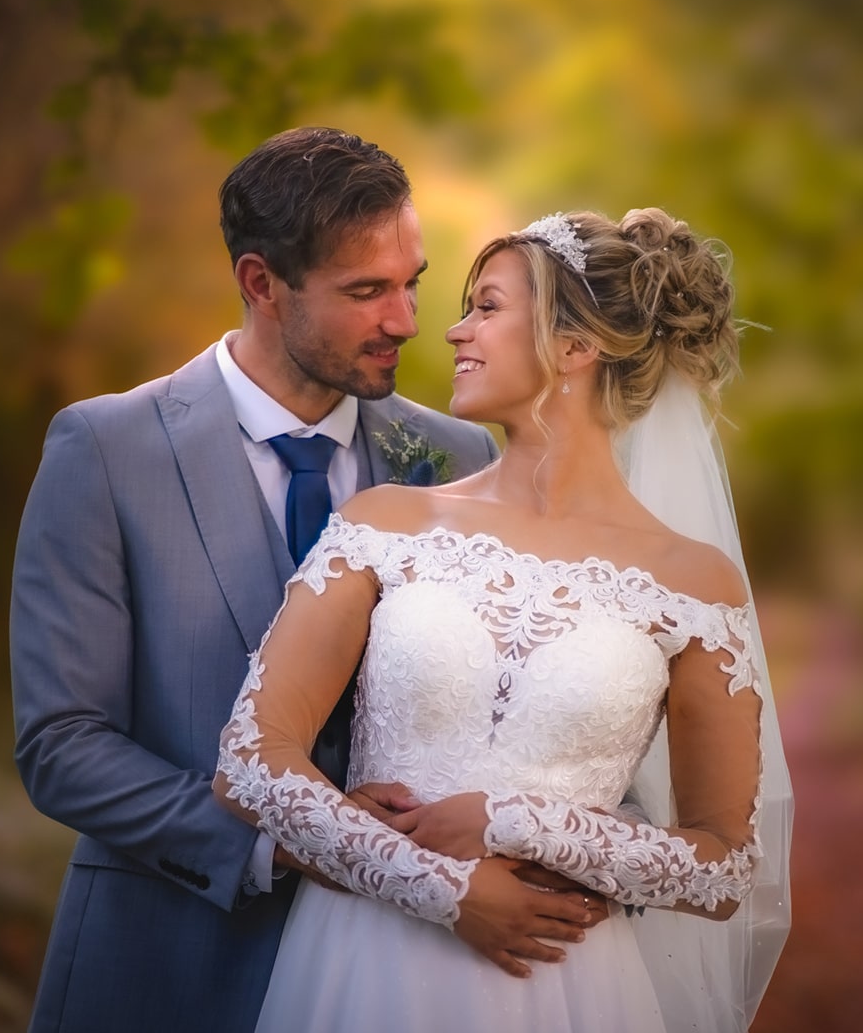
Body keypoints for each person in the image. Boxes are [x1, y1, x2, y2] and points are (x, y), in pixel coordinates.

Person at [9, 128, 595, 1033]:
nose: (405, 320)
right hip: (167, 961)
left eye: (412, 283)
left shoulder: (454, 455)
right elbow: (62, 743)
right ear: (262, 284)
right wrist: (295, 842)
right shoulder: (107, 451)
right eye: (366, 292)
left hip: (404, 972)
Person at [213, 207, 794, 1032]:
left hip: (563, 986)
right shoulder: (388, 523)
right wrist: (442, 888)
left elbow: (722, 869)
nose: (450, 332)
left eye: (485, 306)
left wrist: (517, 822)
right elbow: (249, 758)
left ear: (575, 345)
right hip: (364, 965)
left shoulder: (695, 584)